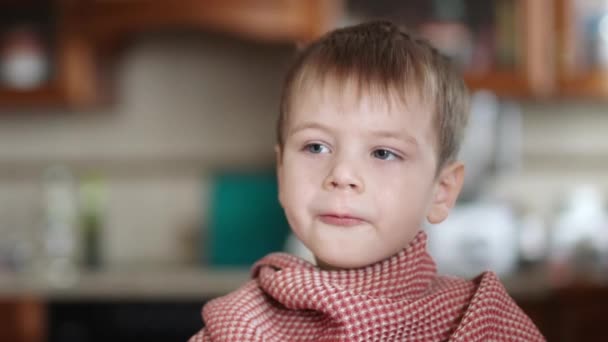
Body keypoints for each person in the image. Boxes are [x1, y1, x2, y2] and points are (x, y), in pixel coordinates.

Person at [190, 20, 545, 341]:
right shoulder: (236, 328)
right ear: (282, 171)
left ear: (442, 190)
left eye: (383, 153)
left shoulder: (486, 326)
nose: (342, 175)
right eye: (315, 146)